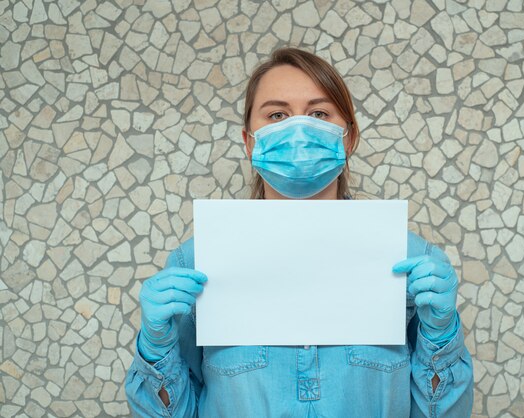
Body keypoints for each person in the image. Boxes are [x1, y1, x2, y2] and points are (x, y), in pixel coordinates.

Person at [125, 47, 473, 417]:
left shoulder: (412, 262)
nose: (298, 130)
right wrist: (156, 346)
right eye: (277, 115)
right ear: (249, 142)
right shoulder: (196, 263)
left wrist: (441, 335)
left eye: (319, 114)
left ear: (348, 138)